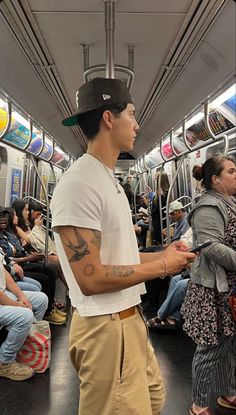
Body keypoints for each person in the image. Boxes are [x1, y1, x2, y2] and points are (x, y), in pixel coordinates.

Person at [51, 77, 195, 415]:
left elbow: (120, 255)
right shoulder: (79, 184)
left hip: (129, 320)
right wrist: (162, 268)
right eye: (131, 114)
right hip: (105, 327)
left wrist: (164, 254)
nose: (137, 123)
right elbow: (91, 277)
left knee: (153, 399)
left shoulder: (107, 180)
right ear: (108, 118)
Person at [181, 155, 236, 415]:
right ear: (216, 180)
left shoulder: (228, 202)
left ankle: (227, 392)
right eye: (232, 171)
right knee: (210, 348)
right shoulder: (209, 208)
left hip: (228, 288)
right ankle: (199, 404)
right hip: (212, 291)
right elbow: (211, 246)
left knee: (229, 343)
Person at [0, 255, 48, 381]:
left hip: (4, 294)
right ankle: (4, 361)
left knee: (41, 299)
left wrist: (21, 296)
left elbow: (5, 274)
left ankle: (25, 346)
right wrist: (17, 305)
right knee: (25, 316)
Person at [151, 172, 170, 245]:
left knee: (160, 241)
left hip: (160, 221)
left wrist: (160, 197)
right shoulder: (160, 191)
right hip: (156, 220)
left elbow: (162, 207)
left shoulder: (165, 193)